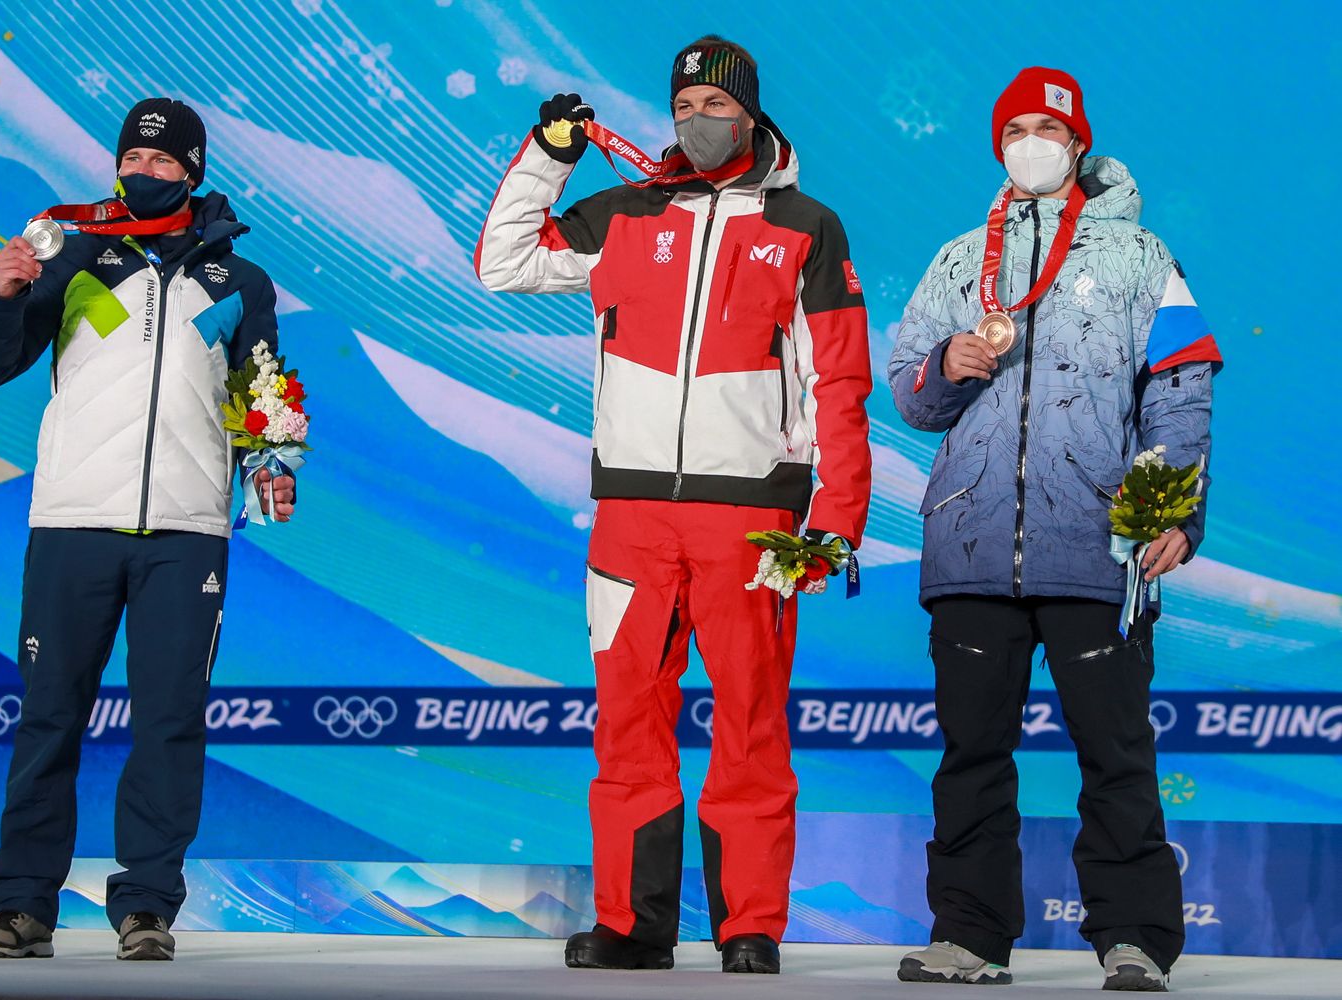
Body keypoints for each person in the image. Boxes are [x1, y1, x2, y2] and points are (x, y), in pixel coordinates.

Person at [476, 36, 871, 974]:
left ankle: (750, 925)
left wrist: (835, 521)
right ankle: (631, 923)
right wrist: (549, 157)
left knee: (750, 722)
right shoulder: (623, 214)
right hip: (632, 516)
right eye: (685, 105)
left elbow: (839, 382)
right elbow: (504, 261)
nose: (699, 120)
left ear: (751, 114)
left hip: (753, 522)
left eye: (716, 105)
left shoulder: (806, 227)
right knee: (628, 719)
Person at [887, 67, 1220, 991]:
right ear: (999, 145)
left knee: (1117, 753)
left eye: (1049, 129)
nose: (1031, 143)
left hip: (1098, 545)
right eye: (1016, 129)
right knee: (970, 756)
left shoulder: (1144, 257)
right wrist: (946, 364)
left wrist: (1173, 514)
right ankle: (969, 935)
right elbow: (909, 391)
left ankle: (1136, 939)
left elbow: (1181, 387)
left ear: (1078, 144)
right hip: (972, 543)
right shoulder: (961, 259)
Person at [0, 98, 295, 962]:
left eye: (161, 162)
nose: (143, 173)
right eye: (131, 160)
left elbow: (259, 394)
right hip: (73, 519)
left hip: (187, 530)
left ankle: (146, 906)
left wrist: (272, 465)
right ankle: (22, 905)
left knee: (170, 722)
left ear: (193, 171)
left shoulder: (239, 282)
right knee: (49, 715)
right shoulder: (73, 257)